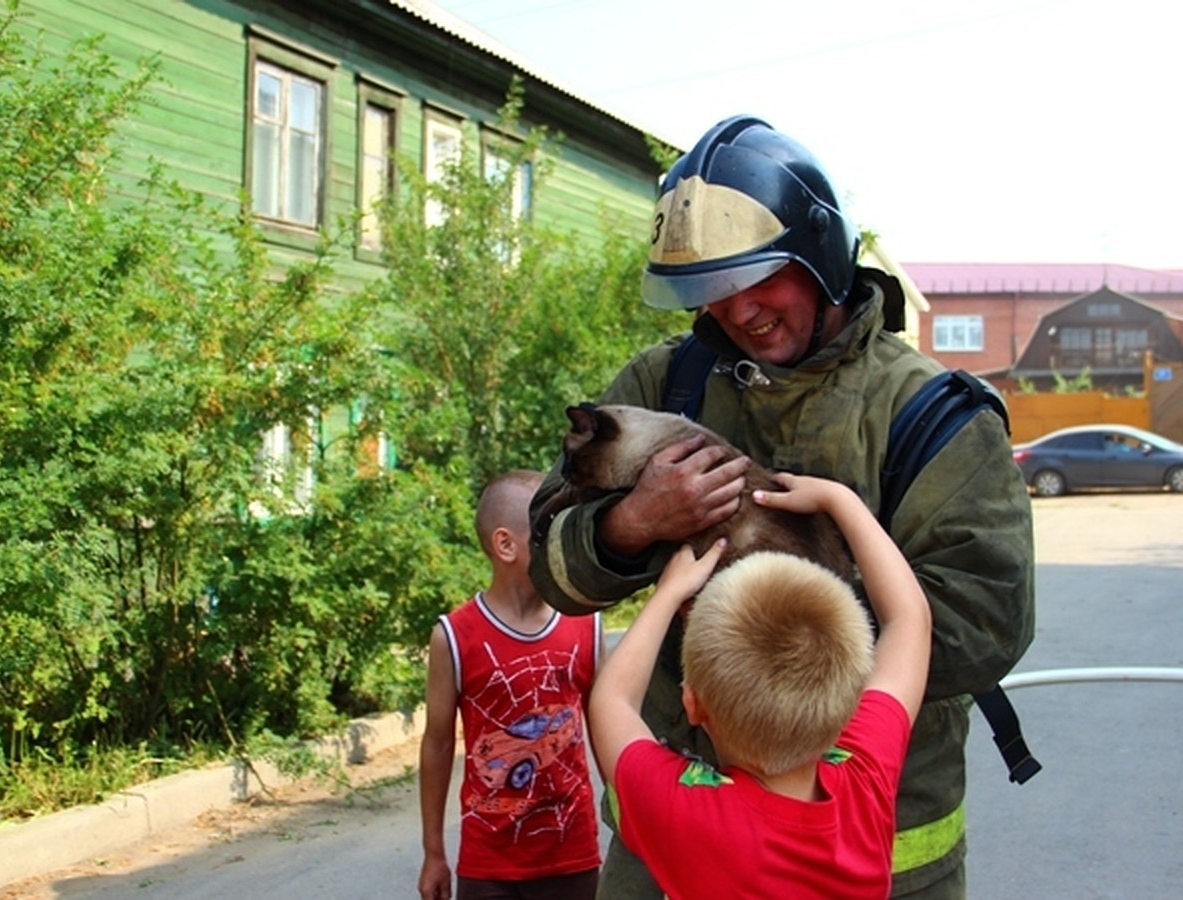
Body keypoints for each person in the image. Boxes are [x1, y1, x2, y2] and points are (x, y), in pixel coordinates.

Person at [528, 115, 1036, 898]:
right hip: (667, 863)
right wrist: (633, 525)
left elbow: (984, 622)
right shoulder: (662, 389)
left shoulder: (933, 416)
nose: (738, 311)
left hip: (889, 855)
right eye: (713, 292)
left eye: (760, 279)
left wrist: (765, 629)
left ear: (821, 255)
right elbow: (549, 566)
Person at [590, 472, 932, 899]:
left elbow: (611, 701)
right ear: (849, 703)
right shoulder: (864, 777)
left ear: (692, 703)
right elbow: (909, 619)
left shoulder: (686, 813)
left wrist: (670, 593)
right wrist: (840, 499)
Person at [418, 470, 603, 900]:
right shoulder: (454, 637)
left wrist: (629, 810)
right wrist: (433, 852)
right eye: (548, 532)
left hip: (572, 855)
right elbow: (438, 745)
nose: (561, 545)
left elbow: (605, 727)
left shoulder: (585, 624)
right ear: (506, 545)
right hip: (489, 865)